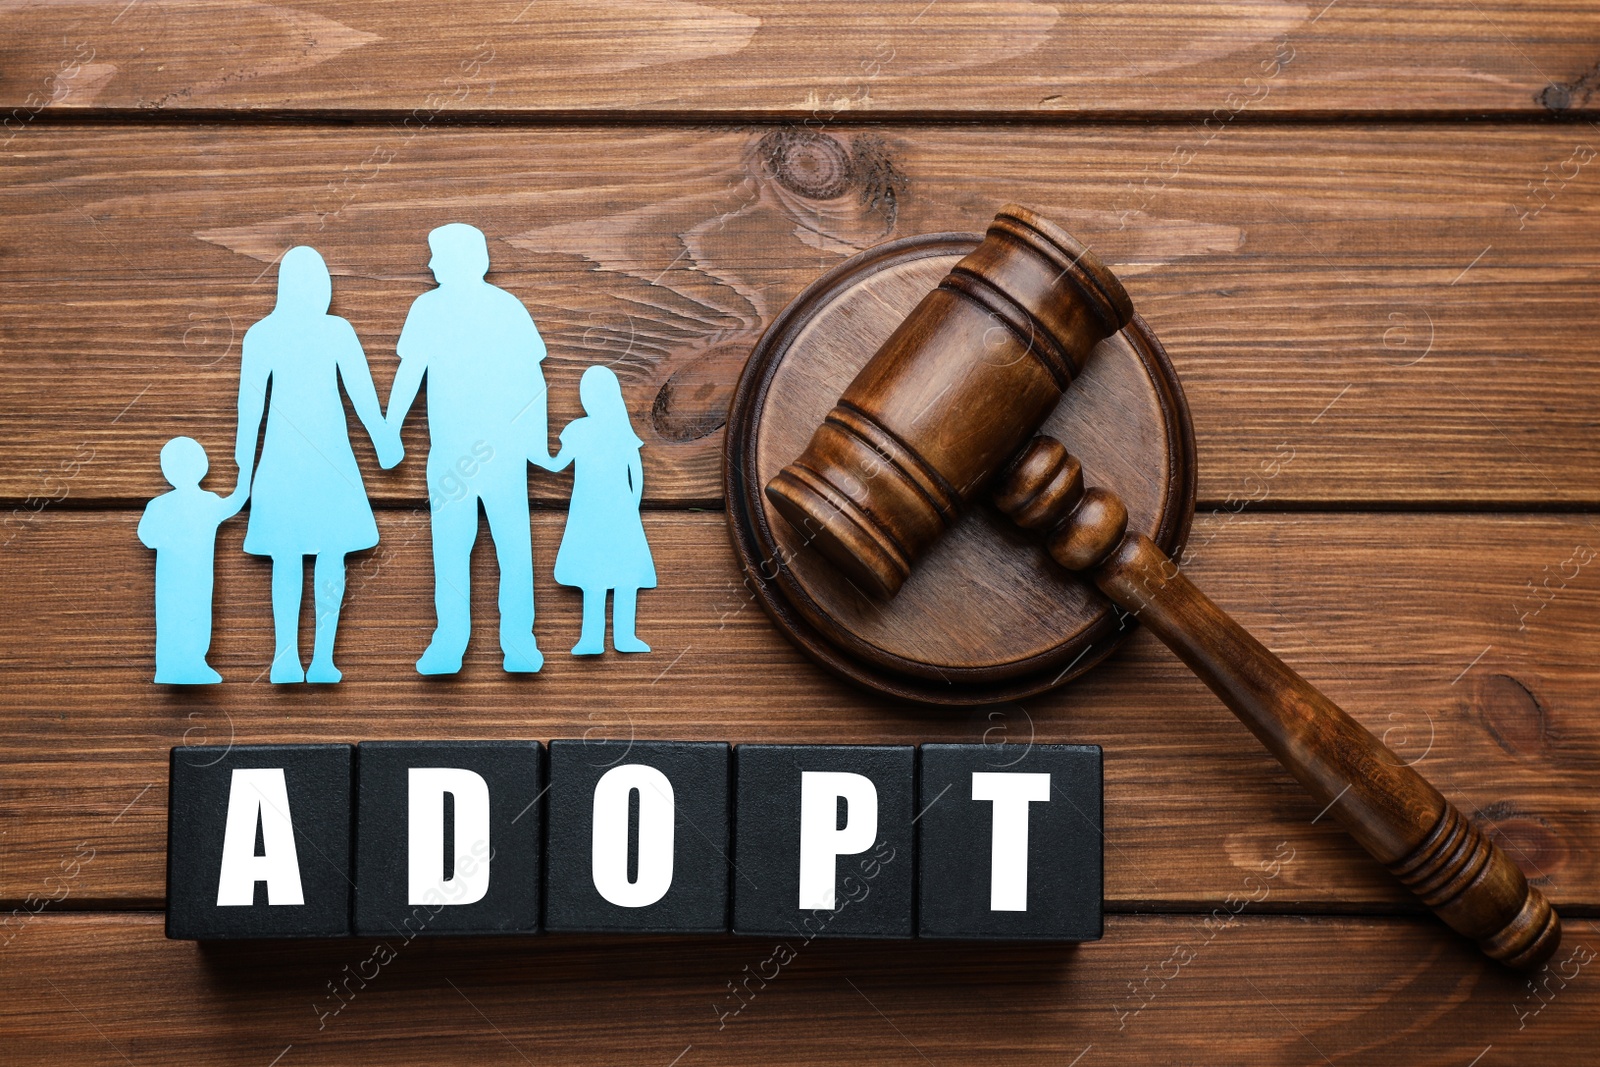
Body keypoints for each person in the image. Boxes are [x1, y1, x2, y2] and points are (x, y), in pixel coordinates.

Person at [386, 223, 553, 675]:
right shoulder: (427, 308)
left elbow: (533, 382)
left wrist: (535, 443)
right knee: (452, 551)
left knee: (513, 549)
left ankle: (519, 641)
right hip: (451, 455)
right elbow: (410, 375)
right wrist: (390, 429)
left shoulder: (506, 307)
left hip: (504, 454)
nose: (430, 264)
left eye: (436, 256)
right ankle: (450, 641)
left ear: (462, 258)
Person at [233, 246, 401, 684]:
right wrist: (383, 440)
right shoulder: (330, 331)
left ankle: (294, 657)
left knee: (291, 558)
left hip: (291, 461)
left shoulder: (264, 333)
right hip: (321, 459)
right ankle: (309, 658)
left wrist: (241, 478)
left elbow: (250, 413)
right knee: (327, 556)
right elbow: (362, 397)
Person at [549, 365, 656, 655]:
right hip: (600, 510)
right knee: (600, 572)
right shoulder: (583, 430)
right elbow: (559, 465)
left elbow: (635, 471)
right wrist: (631, 506)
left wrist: (631, 508)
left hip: (609, 510)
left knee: (614, 574)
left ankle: (619, 638)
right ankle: (594, 639)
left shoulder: (612, 430)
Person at [139, 436, 245, 684]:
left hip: (173, 577)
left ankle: (179, 664)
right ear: (202, 467)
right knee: (194, 616)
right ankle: (187, 663)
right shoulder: (206, 502)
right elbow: (236, 502)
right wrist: (245, 473)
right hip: (193, 575)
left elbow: (147, 537)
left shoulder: (159, 505)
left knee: (174, 618)